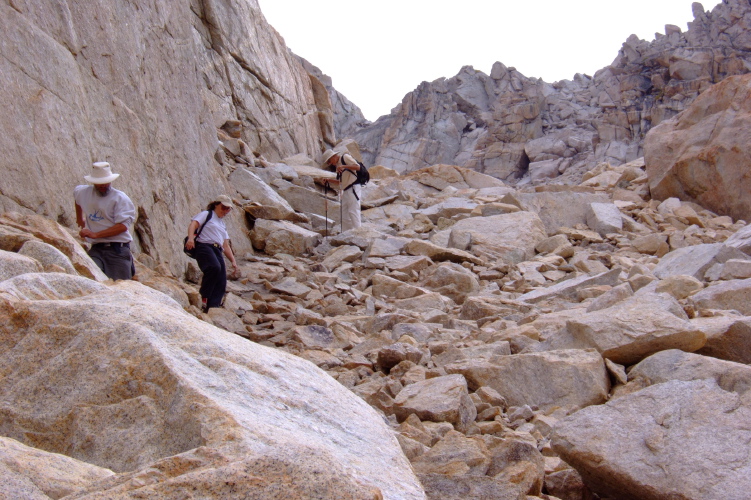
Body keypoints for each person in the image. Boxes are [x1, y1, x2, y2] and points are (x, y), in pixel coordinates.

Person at [74, 162, 136, 280]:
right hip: (97, 248)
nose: (103, 186)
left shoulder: (120, 198)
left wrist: (95, 234)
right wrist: (79, 219)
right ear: (93, 182)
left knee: (120, 287)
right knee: (90, 278)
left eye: (105, 182)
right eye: (99, 183)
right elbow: (77, 198)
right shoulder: (84, 192)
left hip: (117, 250)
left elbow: (122, 226)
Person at [184, 195, 239, 313]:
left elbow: (225, 245)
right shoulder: (207, 214)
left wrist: (233, 261)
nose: (225, 211)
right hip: (204, 245)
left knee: (221, 279)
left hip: (217, 249)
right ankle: (204, 295)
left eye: (228, 209)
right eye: (223, 207)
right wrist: (190, 239)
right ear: (216, 204)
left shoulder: (222, 224)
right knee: (214, 267)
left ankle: (213, 307)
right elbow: (194, 224)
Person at [322, 149, 362, 232]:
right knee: (344, 214)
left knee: (353, 211)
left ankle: (359, 233)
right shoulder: (338, 166)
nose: (330, 163)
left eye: (329, 161)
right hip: (346, 190)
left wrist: (343, 166)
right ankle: (346, 234)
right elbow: (341, 182)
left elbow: (358, 167)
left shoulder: (345, 157)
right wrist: (329, 180)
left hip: (353, 187)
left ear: (333, 156)